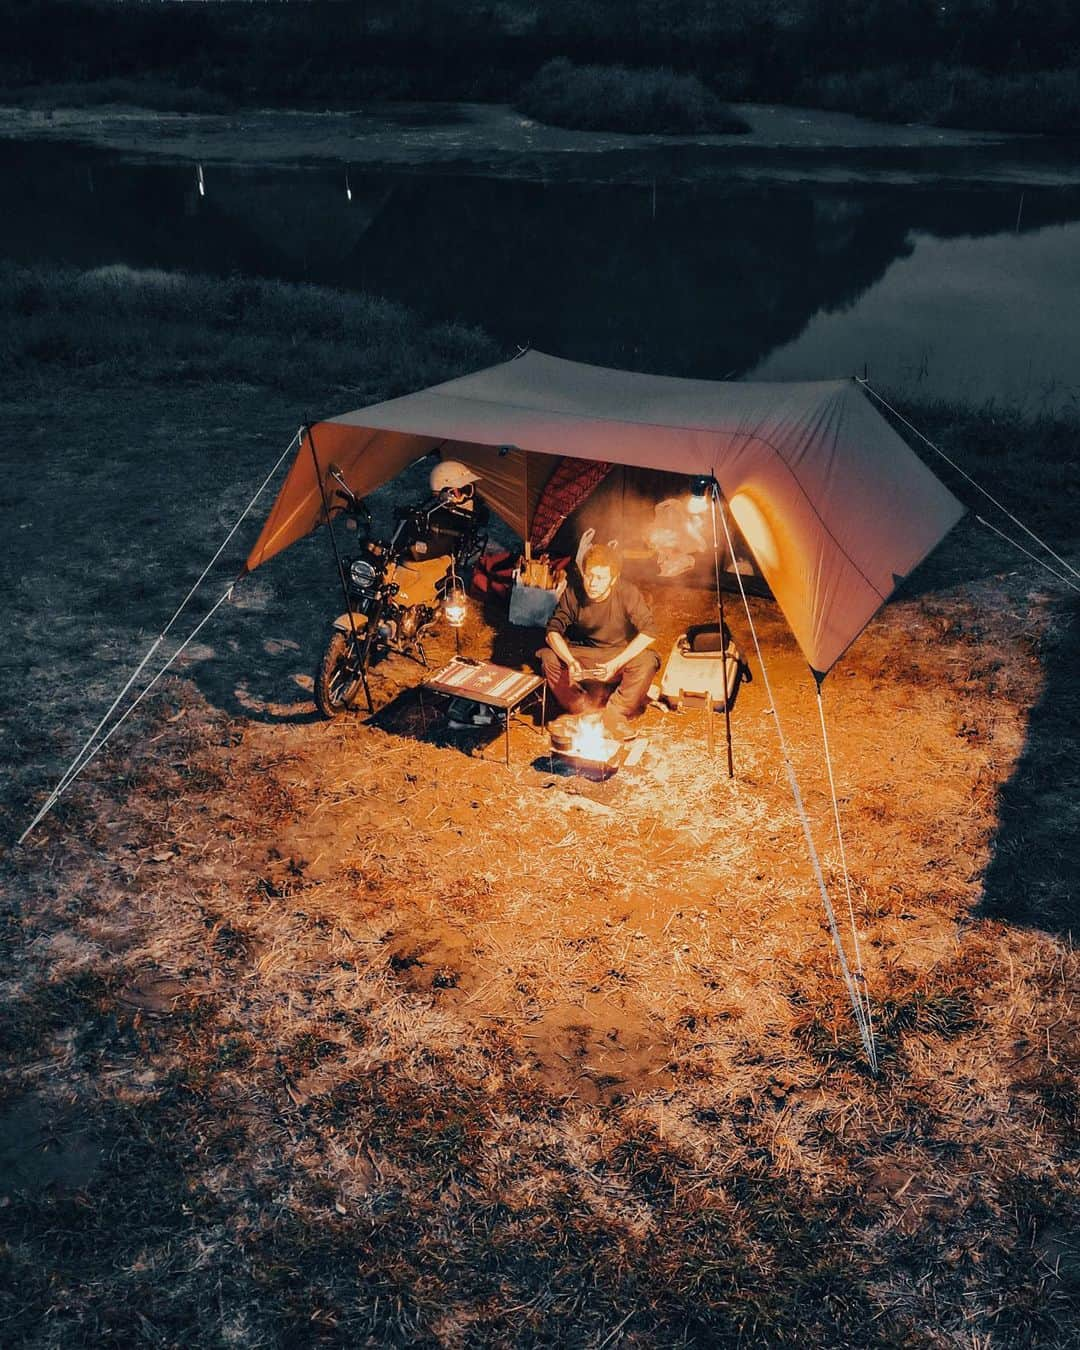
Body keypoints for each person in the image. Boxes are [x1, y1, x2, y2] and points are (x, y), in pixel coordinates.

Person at [539, 543, 660, 740]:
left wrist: (616, 664)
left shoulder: (626, 592)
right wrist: (570, 661)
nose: (592, 583)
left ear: (613, 579)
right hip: (583, 654)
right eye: (589, 575)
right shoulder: (574, 592)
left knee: (647, 661)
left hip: (617, 655)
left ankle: (615, 714)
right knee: (548, 657)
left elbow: (649, 631)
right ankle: (582, 709)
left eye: (601, 578)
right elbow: (552, 631)